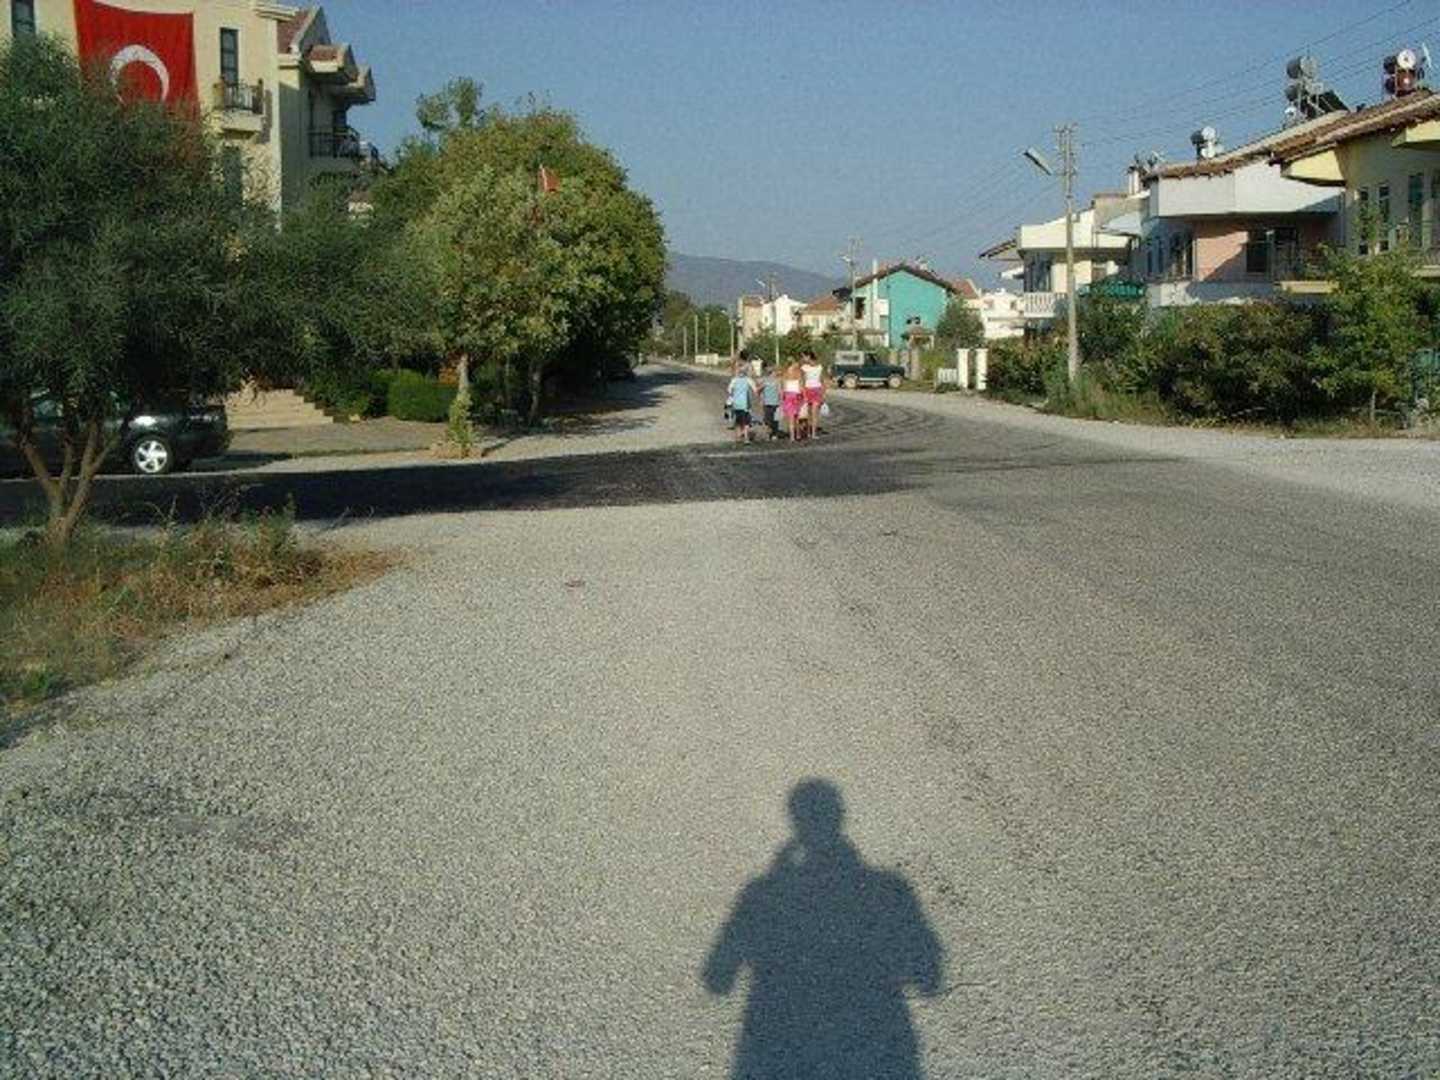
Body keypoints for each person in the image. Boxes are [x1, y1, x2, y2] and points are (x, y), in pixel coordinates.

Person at [727, 361, 759, 443]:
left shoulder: (734, 380)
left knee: (738, 421)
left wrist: (734, 394)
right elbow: (755, 390)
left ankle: (737, 437)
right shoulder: (748, 380)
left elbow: (729, 390)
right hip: (745, 404)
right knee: (746, 422)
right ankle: (746, 438)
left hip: (736, 404)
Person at [800, 350, 826, 437]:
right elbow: (802, 381)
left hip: (817, 390)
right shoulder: (804, 367)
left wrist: (823, 394)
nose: (803, 359)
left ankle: (813, 433)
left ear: (808, 356)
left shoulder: (820, 367)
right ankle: (808, 432)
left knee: (814, 413)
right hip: (807, 390)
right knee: (808, 413)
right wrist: (803, 393)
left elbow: (822, 381)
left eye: (803, 356)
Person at [781, 358, 804, 442]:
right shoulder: (798, 373)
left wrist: (782, 398)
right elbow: (801, 387)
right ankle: (798, 434)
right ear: (793, 364)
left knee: (790, 417)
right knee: (796, 417)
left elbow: (783, 388)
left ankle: (792, 437)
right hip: (796, 395)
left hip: (788, 395)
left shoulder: (785, 374)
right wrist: (802, 397)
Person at [759, 363, 782, 440]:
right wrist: (761, 397)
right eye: (774, 372)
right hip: (767, 403)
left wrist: (781, 400)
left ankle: (774, 434)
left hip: (775, 403)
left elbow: (780, 391)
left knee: (775, 419)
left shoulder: (777, 381)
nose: (776, 373)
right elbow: (759, 389)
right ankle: (769, 434)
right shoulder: (765, 381)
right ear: (772, 373)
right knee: (768, 420)